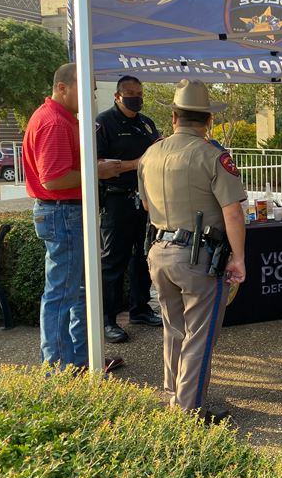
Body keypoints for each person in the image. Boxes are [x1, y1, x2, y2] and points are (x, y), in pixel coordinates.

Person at [138, 79, 246, 413]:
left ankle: (173, 396)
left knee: (173, 329)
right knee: (198, 336)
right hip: (198, 257)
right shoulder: (212, 156)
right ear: (208, 119)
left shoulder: (150, 154)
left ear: (173, 117)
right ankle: (189, 410)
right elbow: (233, 212)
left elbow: (145, 206)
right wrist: (239, 258)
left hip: (159, 251)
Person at [22, 63, 122, 369]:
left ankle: (81, 360)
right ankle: (57, 369)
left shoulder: (61, 118)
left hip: (65, 213)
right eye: (85, 89)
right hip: (62, 213)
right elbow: (53, 179)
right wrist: (97, 171)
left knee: (78, 292)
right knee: (63, 295)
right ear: (62, 87)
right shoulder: (53, 122)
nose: (90, 96)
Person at [96, 75, 162, 344]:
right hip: (117, 200)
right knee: (113, 261)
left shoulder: (146, 123)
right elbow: (99, 165)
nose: (136, 97)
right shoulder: (103, 124)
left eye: (139, 92)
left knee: (143, 256)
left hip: (146, 200)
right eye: (130, 92)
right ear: (117, 96)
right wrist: (138, 162)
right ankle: (107, 321)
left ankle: (140, 309)